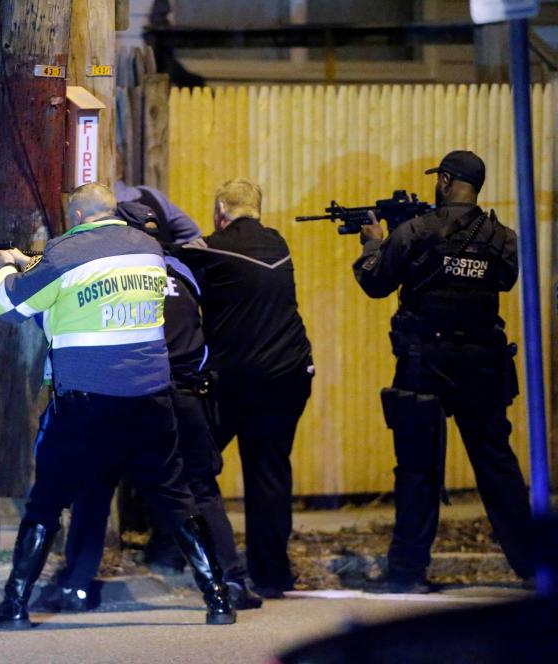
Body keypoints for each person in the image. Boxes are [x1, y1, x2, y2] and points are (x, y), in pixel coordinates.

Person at [0, 182, 235, 629]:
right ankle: (218, 599)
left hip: (84, 403)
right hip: (149, 400)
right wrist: (36, 264)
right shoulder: (148, 249)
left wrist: (7, 268)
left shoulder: (65, 252)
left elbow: (9, 306)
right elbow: (97, 281)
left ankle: (14, 605)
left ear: (78, 217)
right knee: (177, 499)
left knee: (46, 502)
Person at [55, 183, 262, 612]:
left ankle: (75, 585)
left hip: (136, 395)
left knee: (95, 488)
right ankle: (230, 584)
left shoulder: (116, 274)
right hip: (188, 395)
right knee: (198, 492)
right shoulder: (184, 271)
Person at [353, 150, 534, 592]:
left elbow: (375, 283)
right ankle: (537, 568)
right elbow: (506, 279)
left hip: (424, 364)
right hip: (482, 365)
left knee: (417, 470)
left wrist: (374, 242)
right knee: (497, 468)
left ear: (447, 181)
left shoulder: (415, 231)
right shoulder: (502, 237)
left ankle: (407, 575)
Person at [178, 179, 314, 599]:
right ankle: (273, 575)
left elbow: (172, 264)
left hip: (236, 380)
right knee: (269, 471)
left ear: (221, 209)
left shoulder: (211, 249)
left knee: (192, 465)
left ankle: (208, 564)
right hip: (289, 374)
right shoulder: (278, 243)